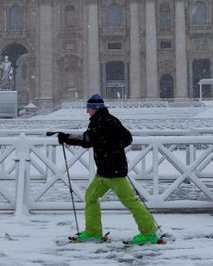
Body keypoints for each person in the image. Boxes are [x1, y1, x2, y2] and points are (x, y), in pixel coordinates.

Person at [57, 94, 159, 245]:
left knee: (130, 202)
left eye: (88, 108)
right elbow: (127, 138)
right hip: (105, 171)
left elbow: (87, 141)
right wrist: (114, 149)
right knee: (91, 197)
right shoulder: (111, 120)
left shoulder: (99, 122)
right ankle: (93, 232)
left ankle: (149, 232)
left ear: (95, 109)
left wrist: (66, 138)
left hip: (113, 172)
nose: (87, 111)